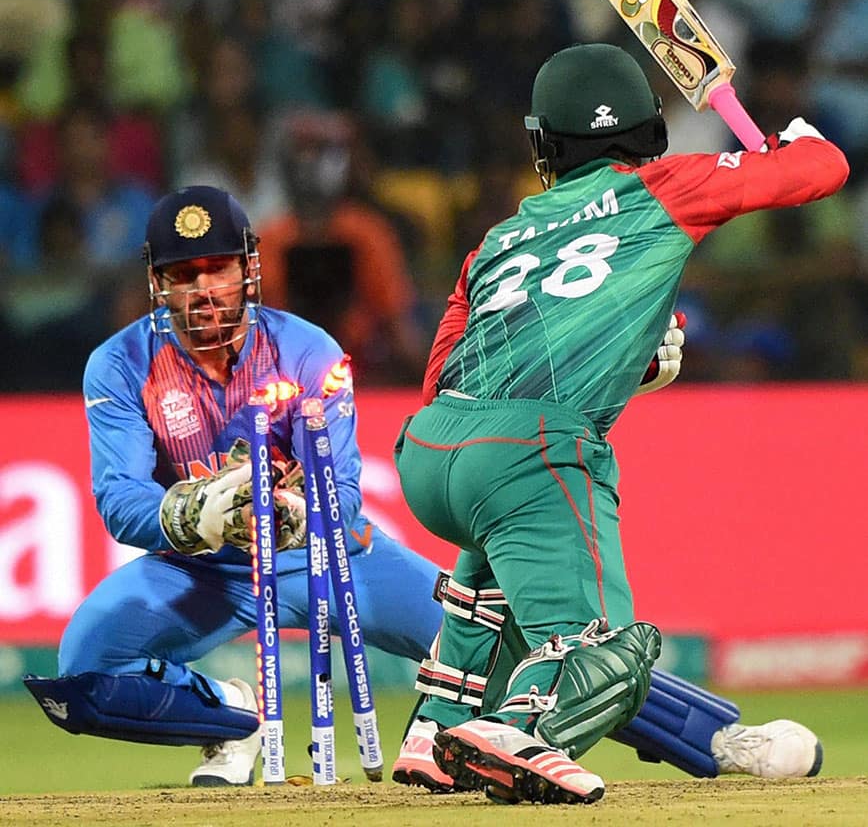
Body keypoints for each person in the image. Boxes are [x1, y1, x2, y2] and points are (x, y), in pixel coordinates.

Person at [389, 43, 848, 804]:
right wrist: (789, 139)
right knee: (604, 652)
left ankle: (437, 726)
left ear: (545, 143)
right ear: (647, 131)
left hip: (428, 451)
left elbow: (445, 376)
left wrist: (623, 364)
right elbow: (822, 170)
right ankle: (522, 730)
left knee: (497, 556)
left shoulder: (498, 240)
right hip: (527, 454)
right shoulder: (665, 187)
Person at [23, 184, 443, 787]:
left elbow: (345, 490)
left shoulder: (305, 349)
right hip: (197, 568)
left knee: (479, 643)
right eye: (182, 274)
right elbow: (118, 498)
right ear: (158, 281)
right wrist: (191, 514)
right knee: (85, 670)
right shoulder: (121, 364)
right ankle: (231, 717)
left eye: (216, 269)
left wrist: (298, 515)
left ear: (247, 268)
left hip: (322, 558)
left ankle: (447, 734)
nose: (202, 289)